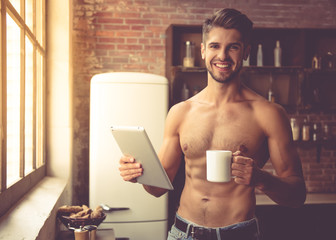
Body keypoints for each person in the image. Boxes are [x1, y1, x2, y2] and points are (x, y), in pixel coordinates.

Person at [119, 8, 306, 240]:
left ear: (246, 51)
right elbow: (157, 189)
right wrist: (140, 173)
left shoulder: (268, 114)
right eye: (215, 46)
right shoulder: (180, 112)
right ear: (203, 50)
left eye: (233, 47)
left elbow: (297, 195)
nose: (223, 56)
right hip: (183, 233)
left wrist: (261, 178)